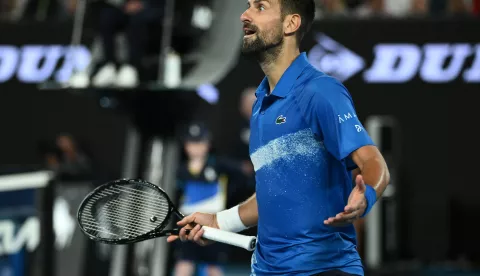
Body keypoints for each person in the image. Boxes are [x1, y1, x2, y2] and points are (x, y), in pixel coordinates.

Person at [168, 1, 390, 275]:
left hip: (324, 269)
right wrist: (218, 221)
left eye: (260, 7)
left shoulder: (320, 91)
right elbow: (274, 193)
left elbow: (372, 161)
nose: (245, 15)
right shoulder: (261, 104)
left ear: (291, 24)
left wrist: (365, 195)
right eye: (248, 5)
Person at [174, 122, 248, 276]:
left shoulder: (219, 165)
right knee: (184, 263)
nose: (196, 147)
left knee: (212, 266)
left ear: (208, 144)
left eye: (200, 142)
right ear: (185, 145)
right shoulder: (180, 169)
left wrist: (229, 199)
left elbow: (244, 172)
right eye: (192, 143)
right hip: (188, 223)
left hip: (213, 224)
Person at [91, 0, 164, 88]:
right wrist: (125, 5)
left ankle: (132, 67)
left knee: (136, 20)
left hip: (150, 7)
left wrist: (142, 4)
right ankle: (109, 65)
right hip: (125, 6)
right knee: (107, 16)